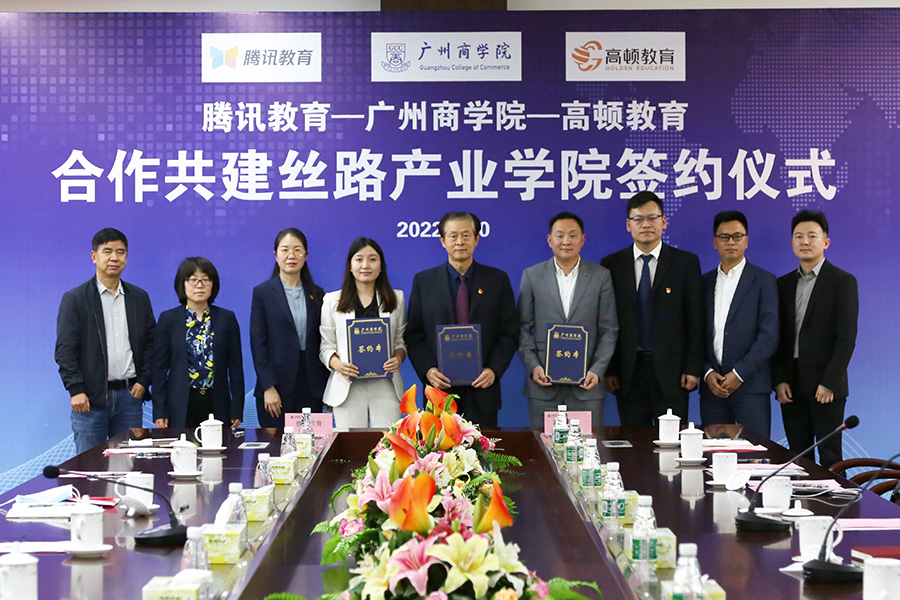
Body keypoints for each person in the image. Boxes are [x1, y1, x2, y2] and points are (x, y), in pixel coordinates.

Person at [405, 211, 518, 428]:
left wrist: (493, 370)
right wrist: (428, 370)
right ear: (442, 241)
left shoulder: (497, 279)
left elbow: (509, 332)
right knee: (439, 449)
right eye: (453, 236)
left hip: (482, 387)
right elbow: (414, 335)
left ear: (476, 239)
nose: (460, 242)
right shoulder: (424, 281)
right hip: (440, 390)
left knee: (482, 448)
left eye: (466, 235)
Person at [600, 191, 703, 425]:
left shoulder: (685, 263)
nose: (645, 224)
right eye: (638, 219)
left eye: (652, 218)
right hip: (628, 371)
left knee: (673, 440)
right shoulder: (612, 264)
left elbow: (695, 319)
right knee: (633, 441)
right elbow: (608, 321)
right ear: (628, 225)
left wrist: (692, 367)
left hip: (673, 371)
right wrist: (610, 369)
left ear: (664, 221)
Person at [55, 228, 156, 454]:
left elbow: (152, 344)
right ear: (94, 256)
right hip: (90, 399)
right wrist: (76, 389)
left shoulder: (139, 298)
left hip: (130, 396)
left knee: (129, 464)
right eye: (107, 251)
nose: (114, 258)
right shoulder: (75, 299)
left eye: (120, 252)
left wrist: (144, 380)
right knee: (90, 464)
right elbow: (65, 350)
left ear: (126, 257)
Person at [517, 212, 618, 431]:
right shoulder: (532, 276)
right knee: (543, 447)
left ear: (582, 239)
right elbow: (522, 328)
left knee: (587, 447)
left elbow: (609, 330)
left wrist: (597, 370)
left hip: (587, 385)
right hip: (543, 385)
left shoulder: (601, 276)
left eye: (573, 235)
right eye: (560, 235)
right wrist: (533, 366)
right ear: (549, 240)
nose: (566, 241)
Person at [773, 210, 858, 468]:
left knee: (830, 457)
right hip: (791, 385)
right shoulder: (782, 284)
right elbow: (778, 338)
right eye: (799, 236)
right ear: (792, 243)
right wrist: (779, 380)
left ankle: (835, 497)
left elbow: (846, 338)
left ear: (826, 242)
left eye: (812, 236)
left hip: (826, 387)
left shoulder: (842, 282)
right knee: (798, 457)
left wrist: (829, 382)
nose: (805, 241)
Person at [700, 211, 778, 437]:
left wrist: (739, 373)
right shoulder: (703, 282)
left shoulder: (763, 280)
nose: (731, 242)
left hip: (750, 386)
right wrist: (706, 372)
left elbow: (769, 335)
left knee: (755, 452)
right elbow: (695, 333)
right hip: (712, 388)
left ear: (747, 240)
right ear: (715, 242)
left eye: (737, 236)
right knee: (714, 453)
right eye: (724, 237)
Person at [320, 238, 407, 430]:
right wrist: (339, 365)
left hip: (385, 386)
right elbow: (326, 347)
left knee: (387, 444)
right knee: (350, 444)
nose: (365, 265)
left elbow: (400, 342)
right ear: (350, 266)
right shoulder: (332, 301)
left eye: (372, 259)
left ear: (381, 266)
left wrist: (398, 359)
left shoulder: (396, 298)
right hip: (347, 386)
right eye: (359, 259)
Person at [152, 257, 244, 430]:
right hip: (180, 404)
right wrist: (160, 410)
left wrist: (237, 408)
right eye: (193, 280)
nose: (199, 285)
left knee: (220, 446)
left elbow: (236, 368)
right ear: (182, 284)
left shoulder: (227, 318)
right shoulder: (168, 319)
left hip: (217, 402)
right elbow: (159, 370)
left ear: (213, 284)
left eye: (205, 280)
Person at [250, 228, 329, 427]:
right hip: (276, 387)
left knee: (310, 442)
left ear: (306, 255)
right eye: (285, 250)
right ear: (276, 255)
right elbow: (258, 344)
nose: (291, 255)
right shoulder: (263, 293)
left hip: (311, 386)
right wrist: (268, 387)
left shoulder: (317, 293)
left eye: (297, 250)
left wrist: (328, 388)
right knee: (277, 443)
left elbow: (324, 340)